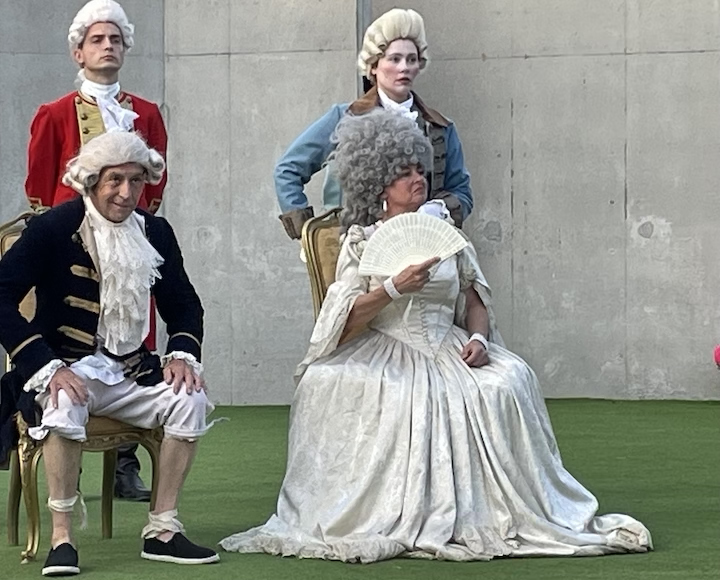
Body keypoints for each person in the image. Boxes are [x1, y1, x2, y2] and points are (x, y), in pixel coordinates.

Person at [220, 110, 652, 562]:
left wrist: (479, 340)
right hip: (383, 344)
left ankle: (494, 510)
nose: (418, 179)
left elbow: (475, 301)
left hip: (448, 344)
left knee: (510, 379)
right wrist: (392, 288)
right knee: (338, 383)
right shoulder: (361, 241)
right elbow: (343, 323)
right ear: (379, 186)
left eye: (419, 170)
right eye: (404, 173)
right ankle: (387, 512)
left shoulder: (447, 235)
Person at [0, 132, 219, 576]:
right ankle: (62, 539)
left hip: (134, 371)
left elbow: (184, 304)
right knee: (63, 404)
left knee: (190, 399)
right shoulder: (53, 228)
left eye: (136, 181)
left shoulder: (155, 231)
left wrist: (181, 354)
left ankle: (162, 530)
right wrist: (44, 365)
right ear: (92, 180)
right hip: (67, 366)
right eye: (115, 180)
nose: (126, 192)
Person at [24, 0, 169, 500]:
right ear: (78, 52)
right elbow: (40, 188)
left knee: (131, 342)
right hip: (74, 250)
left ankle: (126, 463)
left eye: (116, 40)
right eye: (97, 40)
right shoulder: (53, 114)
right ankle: (68, 459)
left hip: (129, 246)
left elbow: (155, 186)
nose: (108, 47)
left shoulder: (147, 113)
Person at [276, 8, 472, 240]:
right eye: (394, 59)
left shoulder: (439, 127)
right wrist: (310, 235)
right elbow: (288, 170)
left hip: (423, 244)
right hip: (357, 245)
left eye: (411, 59)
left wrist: (437, 210)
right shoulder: (345, 118)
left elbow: (462, 193)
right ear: (374, 66)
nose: (404, 67)